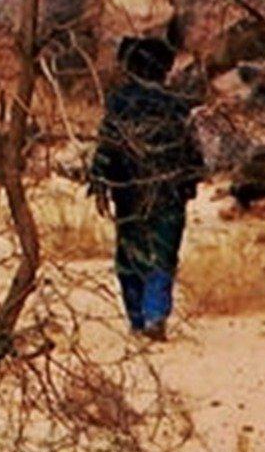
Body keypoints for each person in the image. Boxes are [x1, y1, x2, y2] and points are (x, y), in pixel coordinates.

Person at [87, 32, 204, 339]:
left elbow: (106, 149)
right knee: (163, 254)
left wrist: (99, 183)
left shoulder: (119, 104)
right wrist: (189, 184)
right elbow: (194, 154)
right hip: (169, 194)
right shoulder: (178, 108)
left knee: (130, 255)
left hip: (128, 193)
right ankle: (155, 316)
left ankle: (138, 320)